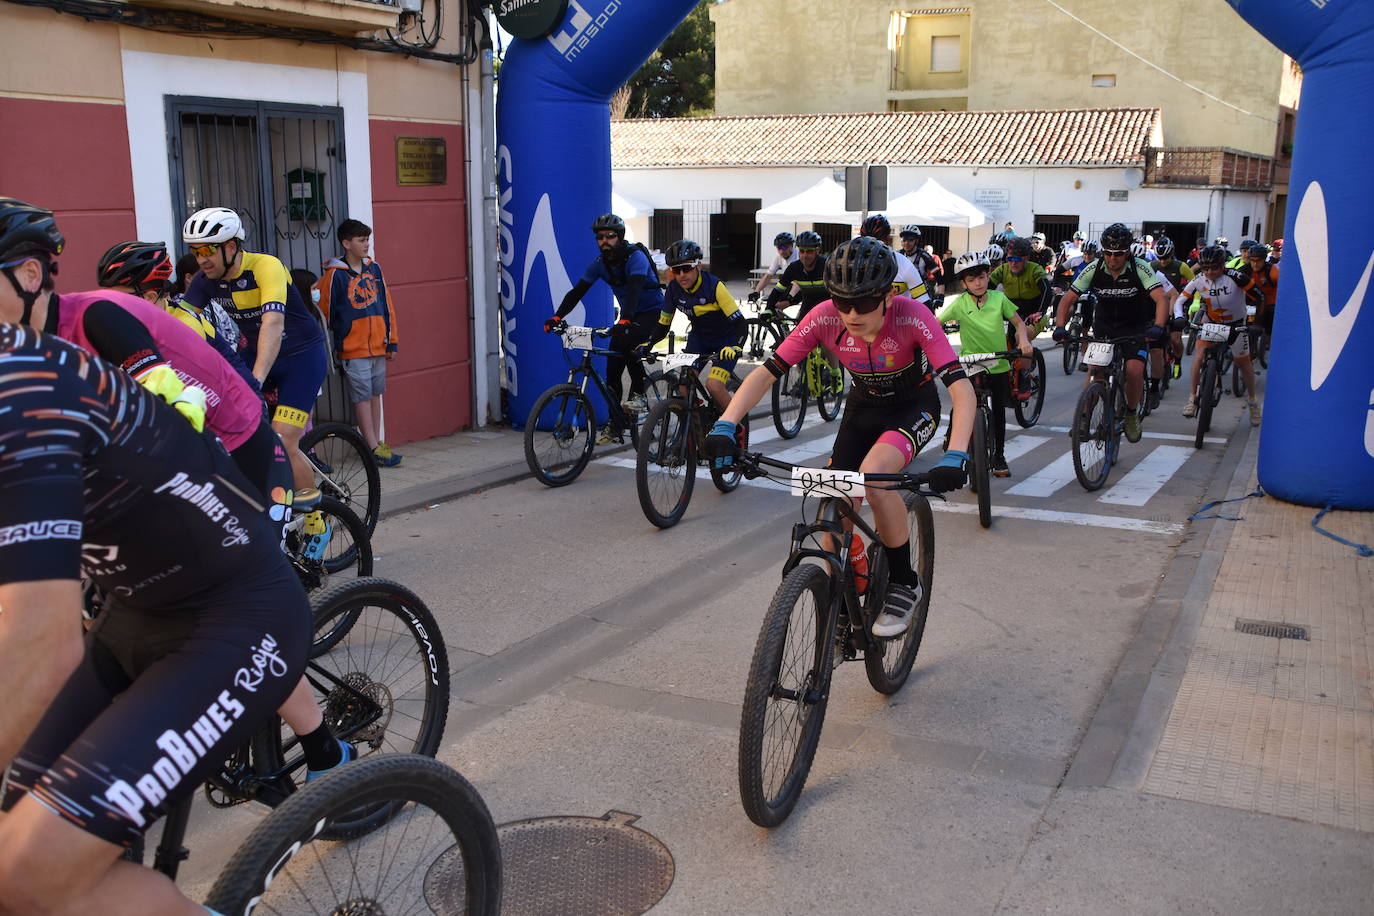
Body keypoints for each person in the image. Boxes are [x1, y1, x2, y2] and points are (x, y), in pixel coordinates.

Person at [0, 325, 311, 916]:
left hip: (238, 608)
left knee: (23, 873)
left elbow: (41, 649)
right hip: (134, 612)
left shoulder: (23, 382)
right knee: (26, 825)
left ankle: (321, 742)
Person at [703, 236, 975, 639]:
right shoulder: (824, 317)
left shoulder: (913, 315)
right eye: (841, 301)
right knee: (832, 507)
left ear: (887, 295)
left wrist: (956, 454)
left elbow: (960, 388)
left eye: (864, 303)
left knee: (875, 478)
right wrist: (726, 423)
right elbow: (767, 371)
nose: (850, 313)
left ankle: (904, 581)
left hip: (913, 407)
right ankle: (852, 583)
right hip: (862, 409)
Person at [181, 207, 329, 504]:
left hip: (301, 356)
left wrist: (255, 380)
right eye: (195, 252)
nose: (201, 260)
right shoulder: (205, 280)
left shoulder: (265, 267)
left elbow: (273, 323)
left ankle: (317, 522)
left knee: (283, 440)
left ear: (231, 247)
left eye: (208, 250)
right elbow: (180, 328)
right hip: (256, 352)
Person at [546, 213, 664, 432]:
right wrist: (557, 317)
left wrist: (626, 319)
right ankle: (616, 424)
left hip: (651, 312)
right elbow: (577, 292)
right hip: (629, 316)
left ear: (619, 237)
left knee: (631, 346)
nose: (604, 242)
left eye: (609, 236)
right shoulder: (600, 264)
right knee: (613, 369)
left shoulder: (635, 257)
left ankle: (639, 396)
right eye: (600, 238)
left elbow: (634, 291)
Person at [1052, 223, 1170, 443]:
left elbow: (1161, 298)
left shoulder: (1140, 267)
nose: (1113, 258)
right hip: (1104, 326)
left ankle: (1131, 414)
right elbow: (1068, 299)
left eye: (1118, 254)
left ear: (1127, 252)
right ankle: (1084, 418)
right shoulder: (1094, 267)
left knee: (1134, 371)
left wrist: (1159, 326)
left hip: (1134, 326)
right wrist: (1060, 327)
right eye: (1108, 253)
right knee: (1096, 370)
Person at [96, 239, 259, 395]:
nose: (111, 303)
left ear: (149, 298)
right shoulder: (134, 322)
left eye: (118, 298)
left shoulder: (183, 327)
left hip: (240, 408)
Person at [937, 251, 1032, 477]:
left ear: (988, 275)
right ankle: (952, 436)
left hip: (998, 362)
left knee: (999, 410)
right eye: (971, 280)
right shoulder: (959, 304)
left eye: (981, 277)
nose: (977, 283)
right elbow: (934, 325)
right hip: (971, 363)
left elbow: (1018, 323)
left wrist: (1025, 340)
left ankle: (999, 455)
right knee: (961, 403)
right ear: (963, 283)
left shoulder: (999, 299)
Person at [318, 219, 403, 468]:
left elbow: (387, 306)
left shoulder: (374, 269)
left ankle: (376, 443)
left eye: (367, 239)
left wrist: (392, 341)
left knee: (376, 393)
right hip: (353, 350)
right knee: (362, 396)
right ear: (346, 243)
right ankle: (372, 447)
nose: (366, 244)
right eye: (360, 240)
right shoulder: (334, 276)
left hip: (378, 345)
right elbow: (324, 310)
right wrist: (343, 335)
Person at [1178, 246, 1262, 426]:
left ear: (1223, 265)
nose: (1209, 272)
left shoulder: (1236, 276)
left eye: (1214, 267)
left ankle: (1253, 401)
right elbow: (1180, 300)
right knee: (1198, 357)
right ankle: (1192, 399)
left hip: (1237, 324)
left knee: (1244, 363)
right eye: (1205, 268)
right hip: (1212, 322)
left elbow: (1257, 297)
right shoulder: (1200, 280)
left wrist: (1255, 322)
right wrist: (1179, 317)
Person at [658, 239, 745, 409]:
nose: (682, 274)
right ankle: (695, 422)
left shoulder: (714, 286)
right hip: (699, 339)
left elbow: (741, 323)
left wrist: (736, 347)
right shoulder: (673, 289)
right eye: (676, 270)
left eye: (687, 268)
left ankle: (736, 426)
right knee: (683, 386)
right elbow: (663, 324)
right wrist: (648, 344)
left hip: (726, 340)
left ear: (698, 266)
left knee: (713, 385)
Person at [859, 214, 928, 302]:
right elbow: (924, 302)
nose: (907, 243)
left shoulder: (911, 260)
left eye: (910, 240)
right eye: (904, 240)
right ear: (889, 239)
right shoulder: (903, 261)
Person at [1152, 237, 1194, 378]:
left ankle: (1177, 362)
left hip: (1177, 303)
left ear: (1172, 254)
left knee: (1175, 339)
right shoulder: (1152, 265)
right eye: (1160, 258)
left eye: (1166, 258)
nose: (1162, 261)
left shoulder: (1181, 266)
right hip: (1158, 303)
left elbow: (1196, 283)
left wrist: (1193, 300)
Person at [766, 229, 828, 319]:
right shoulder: (794, 267)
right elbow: (778, 289)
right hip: (808, 304)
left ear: (817, 251)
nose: (805, 255)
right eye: (802, 251)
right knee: (798, 331)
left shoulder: (827, 265)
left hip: (827, 306)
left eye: (809, 251)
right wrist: (768, 308)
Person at [750, 232, 799, 302]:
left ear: (792, 246)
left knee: (780, 303)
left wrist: (790, 295)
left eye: (784, 247)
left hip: (802, 287)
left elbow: (798, 281)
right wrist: (756, 292)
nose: (781, 251)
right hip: (789, 285)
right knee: (772, 303)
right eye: (779, 248)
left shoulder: (798, 256)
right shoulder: (778, 258)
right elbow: (768, 276)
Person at [1245, 242, 1279, 337]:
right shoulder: (1244, 270)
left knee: (1271, 316)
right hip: (1250, 304)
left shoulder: (1272, 270)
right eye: (1252, 260)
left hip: (1269, 305)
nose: (1255, 264)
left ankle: (1269, 337)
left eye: (1258, 261)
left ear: (1264, 260)